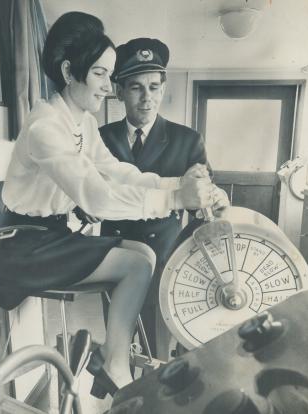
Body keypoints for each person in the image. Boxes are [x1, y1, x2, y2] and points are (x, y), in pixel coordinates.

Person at [0, 12, 225, 398]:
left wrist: (177, 184)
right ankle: (113, 361)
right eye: (101, 74)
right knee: (138, 262)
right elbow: (96, 196)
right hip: (25, 246)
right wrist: (173, 199)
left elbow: (116, 171)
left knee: (144, 255)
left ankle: (110, 357)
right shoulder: (45, 127)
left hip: (52, 235)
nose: (108, 87)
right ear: (70, 71)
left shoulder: (81, 121)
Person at [99, 38, 226, 359]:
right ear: (118, 91)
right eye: (136, 88)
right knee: (119, 342)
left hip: (165, 257)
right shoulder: (99, 139)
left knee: (158, 347)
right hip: (113, 253)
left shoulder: (187, 140)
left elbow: (203, 199)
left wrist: (214, 199)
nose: (147, 98)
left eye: (154, 87)